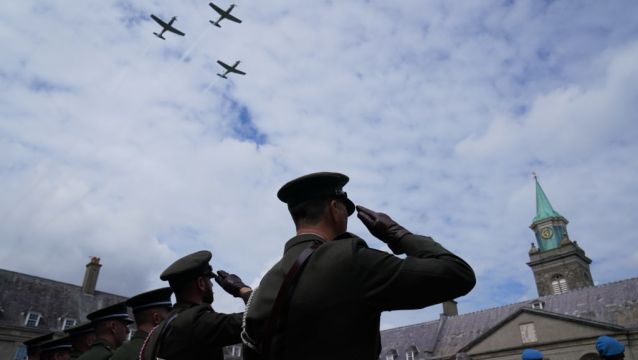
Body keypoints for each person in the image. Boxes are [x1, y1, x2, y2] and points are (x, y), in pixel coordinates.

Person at [242, 172, 476, 360]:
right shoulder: (351, 260)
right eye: (346, 210)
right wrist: (397, 234)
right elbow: (457, 274)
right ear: (335, 208)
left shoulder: (265, 287)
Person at [140, 250, 252, 360]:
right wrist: (243, 289)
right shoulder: (198, 322)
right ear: (201, 283)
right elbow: (258, 319)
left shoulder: (161, 329)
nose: (212, 284)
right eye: (209, 280)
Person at [110, 287, 173, 360]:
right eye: (168, 318)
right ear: (157, 318)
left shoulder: (123, 351)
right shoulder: (152, 353)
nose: (170, 322)